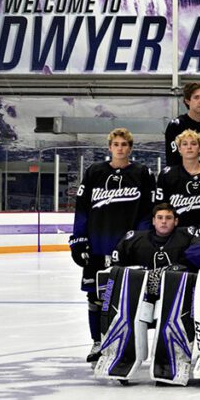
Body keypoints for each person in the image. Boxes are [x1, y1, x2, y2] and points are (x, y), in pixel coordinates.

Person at [69, 127, 155, 362]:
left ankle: (126, 341)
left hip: (129, 249)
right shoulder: (94, 172)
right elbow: (82, 210)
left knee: (129, 297)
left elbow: (148, 210)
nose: (120, 148)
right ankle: (98, 342)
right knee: (95, 298)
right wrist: (78, 240)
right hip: (98, 245)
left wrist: (140, 239)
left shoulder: (142, 173)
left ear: (130, 147)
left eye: (124, 144)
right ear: (109, 147)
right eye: (116, 144)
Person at [156, 130, 200, 234]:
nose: (189, 147)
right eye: (185, 144)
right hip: (176, 236)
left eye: (193, 144)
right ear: (179, 149)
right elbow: (160, 208)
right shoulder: (167, 175)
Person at [110, 203, 200, 270]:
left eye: (168, 218)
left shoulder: (189, 234)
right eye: (159, 218)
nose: (164, 221)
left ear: (176, 221)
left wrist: (185, 266)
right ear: (153, 221)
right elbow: (116, 265)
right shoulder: (133, 239)